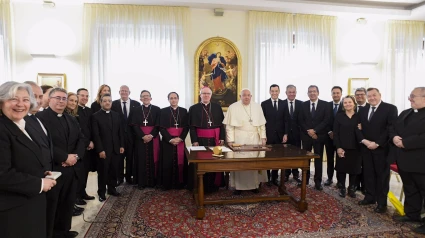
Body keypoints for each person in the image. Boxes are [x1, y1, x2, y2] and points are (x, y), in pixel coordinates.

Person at [0, 81, 57, 238]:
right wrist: (39, 183)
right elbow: (2, 174)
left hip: (30, 202)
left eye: (25, 99)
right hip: (13, 209)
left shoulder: (21, 124)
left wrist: (40, 173)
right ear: (1, 101)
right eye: (13, 99)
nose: (20, 104)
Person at [36, 88, 86, 238]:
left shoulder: (71, 118)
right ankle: (51, 234)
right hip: (53, 169)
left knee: (68, 202)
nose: (61, 101)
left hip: (72, 167)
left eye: (64, 98)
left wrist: (75, 157)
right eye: (58, 98)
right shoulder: (40, 118)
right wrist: (64, 157)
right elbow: (44, 143)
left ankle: (64, 231)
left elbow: (81, 139)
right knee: (53, 205)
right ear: (49, 99)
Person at [389, 87, 425, 234]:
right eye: (410, 96)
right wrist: (394, 137)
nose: (410, 99)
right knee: (410, 189)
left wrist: (406, 143)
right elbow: (393, 128)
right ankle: (412, 214)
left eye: (413, 96)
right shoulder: (405, 112)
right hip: (404, 160)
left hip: (421, 161)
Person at [357, 87, 397, 213]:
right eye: (369, 96)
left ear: (380, 95)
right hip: (366, 147)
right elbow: (358, 128)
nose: (372, 98)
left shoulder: (390, 108)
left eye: (374, 95)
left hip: (382, 149)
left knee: (381, 176)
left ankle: (382, 203)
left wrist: (378, 143)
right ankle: (370, 197)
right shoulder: (363, 110)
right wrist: (364, 141)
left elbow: (390, 128)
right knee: (368, 174)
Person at [224, 88, 268, 194]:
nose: (246, 97)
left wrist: (263, 137)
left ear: (251, 96)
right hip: (239, 138)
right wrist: (230, 141)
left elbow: (262, 125)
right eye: (244, 95)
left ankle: (255, 185)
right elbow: (229, 126)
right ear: (240, 96)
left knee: (254, 163)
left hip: (255, 139)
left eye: (248, 95)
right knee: (240, 163)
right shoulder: (233, 107)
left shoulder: (257, 107)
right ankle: (238, 187)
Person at [188, 87, 225, 193]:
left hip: (216, 140)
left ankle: (215, 185)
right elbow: (192, 127)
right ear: (200, 95)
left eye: (208, 93)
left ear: (211, 95)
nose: (206, 95)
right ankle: (200, 185)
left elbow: (222, 125)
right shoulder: (193, 108)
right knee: (201, 163)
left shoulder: (217, 107)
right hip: (200, 140)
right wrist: (194, 140)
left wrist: (222, 138)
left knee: (216, 161)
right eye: (203, 93)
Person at [92, 93, 124, 202]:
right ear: (101, 102)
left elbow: (120, 132)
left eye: (109, 101)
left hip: (115, 148)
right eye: (105, 101)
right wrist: (100, 149)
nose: (107, 103)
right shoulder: (95, 116)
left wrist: (121, 145)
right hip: (104, 150)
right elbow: (96, 135)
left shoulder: (116, 115)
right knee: (103, 172)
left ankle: (111, 189)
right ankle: (101, 192)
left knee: (113, 170)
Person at [298, 85, 330, 190]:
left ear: (318, 92)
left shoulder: (325, 105)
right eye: (310, 92)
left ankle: (317, 182)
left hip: (319, 137)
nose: (312, 93)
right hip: (306, 137)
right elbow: (301, 121)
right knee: (305, 160)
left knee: (318, 160)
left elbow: (326, 121)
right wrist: (310, 132)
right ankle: (305, 180)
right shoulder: (303, 105)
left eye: (314, 91)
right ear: (307, 94)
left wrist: (315, 131)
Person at [131, 90, 161, 189]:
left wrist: (151, 135)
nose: (145, 98)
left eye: (147, 96)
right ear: (140, 99)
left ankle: (153, 182)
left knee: (154, 159)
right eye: (143, 96)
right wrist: (142, 136)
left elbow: (158, 125)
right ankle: (141, 182)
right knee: (141, 160)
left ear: (151, 98)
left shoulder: (157, 109)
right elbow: (134, 126)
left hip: (154, 138)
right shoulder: (136, 110)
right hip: (140, 139)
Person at [333, 96, 362, 198]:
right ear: (343, 105)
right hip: (342, 147)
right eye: (345, 103)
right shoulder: (339, 116)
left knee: (354, 169)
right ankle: (342, 188)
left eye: (350, 102)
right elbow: (335, 133)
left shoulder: (359, 116)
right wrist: (338, 147)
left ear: (354, 103)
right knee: (342, 169)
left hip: (356, 147)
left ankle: (351, 188)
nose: (347, 104)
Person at [159, 92, 189, 190]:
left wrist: (180, 138)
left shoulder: (184, 111)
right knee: (167, 162)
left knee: (181, 162)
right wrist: (170, 139)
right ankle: (167, 184)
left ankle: (180, 183)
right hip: (168, 142)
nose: (173, 100)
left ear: (178, 99)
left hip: (180, 140)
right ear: (168, 100)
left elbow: (186, 127)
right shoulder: (163, 111)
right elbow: (161, 128)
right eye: (171, 98)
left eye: (175, 98)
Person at [111, 85, 141, 185]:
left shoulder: (136, 104)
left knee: (130, 157)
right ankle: (119, 177)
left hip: (132, 136)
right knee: (119, 158)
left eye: (126, 91)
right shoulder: (113, 104)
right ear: (119, 92)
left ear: (129, 92)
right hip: (118, 136)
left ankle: (129, 177)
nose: (124, 92)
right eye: (122, 91)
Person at [261, 84, 287, 186]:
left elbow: (286, 120)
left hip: (280, 136)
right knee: (267, 157)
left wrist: (285, 133)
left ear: (279, 92)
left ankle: (275, 178)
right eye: (272, 91)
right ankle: (267, 178)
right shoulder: (264, 104)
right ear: (270, 92)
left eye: (276, 91)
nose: (274, 93)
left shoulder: (283, 104)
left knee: (277, 158)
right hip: (268, 135)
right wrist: (263, 135)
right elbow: (262, 121)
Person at [76, 88, 96, 204]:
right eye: (82, 95)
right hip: (80, 146)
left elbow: (92, 128)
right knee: (79, 172)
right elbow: (78, 130)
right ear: (77, 96)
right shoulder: (74, 110)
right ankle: (76, 195)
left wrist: (92, 141)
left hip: (90, 146)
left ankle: (83, 192)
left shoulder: (89, 111)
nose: (85, 98)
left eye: (87, 96)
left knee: (85, 171)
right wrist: (87, 142)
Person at [282, 85, 302, 184]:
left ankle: (295, 173)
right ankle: (285, 174)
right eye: (289, 92)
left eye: (293, 92)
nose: (291, 94)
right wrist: (284, 133)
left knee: (296, 155)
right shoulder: (281, 104)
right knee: (285, 154)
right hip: (285, 134)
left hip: (297, 135)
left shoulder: (301, 104)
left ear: (296, 92)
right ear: (286, 93)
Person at [324, 86, 343, 187]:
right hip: (329, 137)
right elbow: (324, 120)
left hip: (341, 138)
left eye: (337, 93)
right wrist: (330, 131)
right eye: (334, 93)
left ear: (341, 94)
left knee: (340, 159)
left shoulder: (345, 105)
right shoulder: (327, 105)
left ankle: (340, 181)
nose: (335, 95)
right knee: (330, 159)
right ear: (331, 94)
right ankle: (329, 178)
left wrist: (337, 134)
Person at [354, 87, 368, 193]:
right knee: (355, 163)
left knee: (365, 164)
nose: (359, 96)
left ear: (365, 95)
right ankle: (355, 185)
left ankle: (364, 186)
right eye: (357, 94)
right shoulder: (351, 107)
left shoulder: (370, 108)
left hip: (366, 141)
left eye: (361, 94)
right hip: (353, 141)